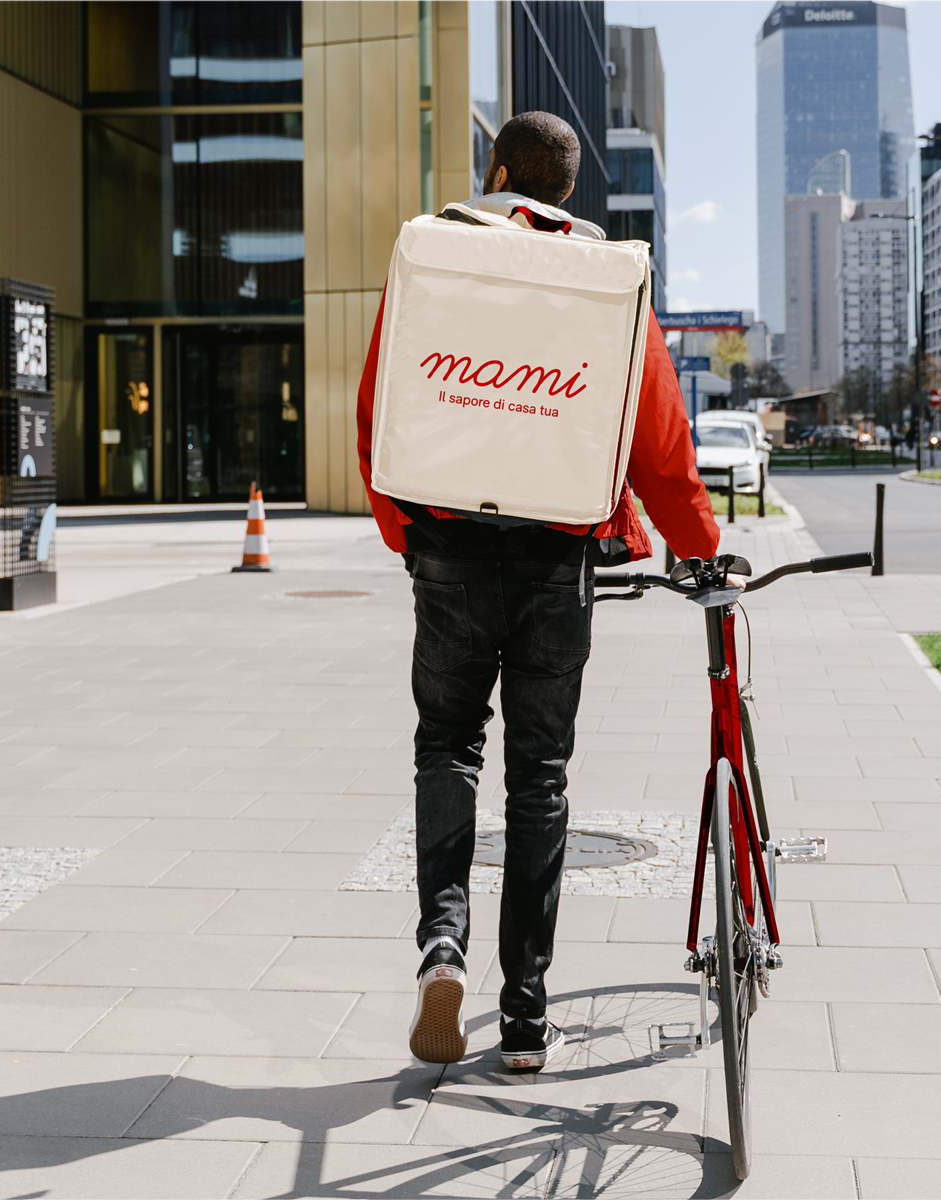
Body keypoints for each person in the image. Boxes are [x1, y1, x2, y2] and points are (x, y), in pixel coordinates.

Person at [354, 112, 720, 1073]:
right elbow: (657, 441)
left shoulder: (436, 255)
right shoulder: (604, 279)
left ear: (497, 170)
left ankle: (443, 946)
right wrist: (698, 546)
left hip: (450, 548)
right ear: (564, 193)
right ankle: (524, 1015)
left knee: (448, 745)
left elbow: (379, 411)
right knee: (541, 778)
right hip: (559, 558)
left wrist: (410, 539)